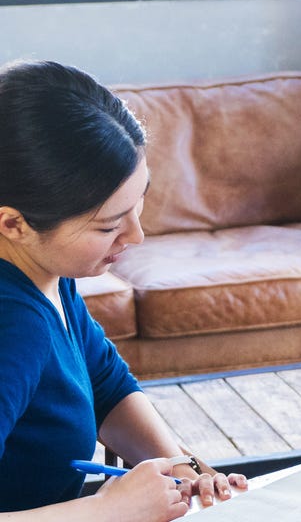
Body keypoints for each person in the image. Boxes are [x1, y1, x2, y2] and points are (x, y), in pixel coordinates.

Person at [0, 60, 248, 520]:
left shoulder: (46, 276)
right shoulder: (11, 326)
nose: (136, 236)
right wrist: (107, 510)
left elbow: (106, 387)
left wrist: (181, 467)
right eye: (109, 225)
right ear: (14, 224)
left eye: (139, 203)